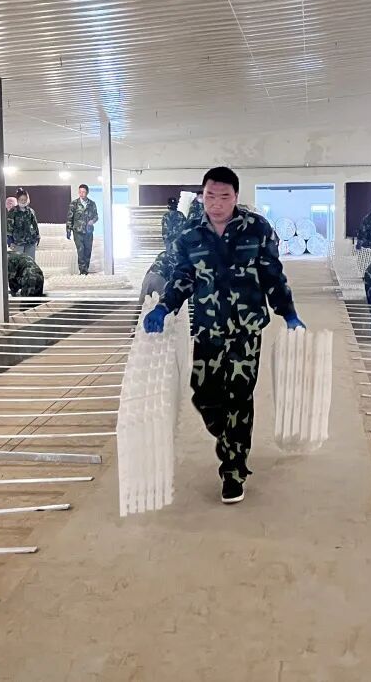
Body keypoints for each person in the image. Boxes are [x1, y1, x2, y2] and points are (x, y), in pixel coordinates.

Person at [142, 166, 304, 505]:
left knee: (239, 399)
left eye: (224, 196)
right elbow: (183, 276)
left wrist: (288, 313)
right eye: (210, 196)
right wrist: (165, 306)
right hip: (208, 329)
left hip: (246, 330)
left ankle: (234, 471)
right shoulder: (190, 233)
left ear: (236, 197)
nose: (216, 203)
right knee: (204, 394)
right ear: (203, 196)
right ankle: (228, 437)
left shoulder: (257, 228)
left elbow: (273, 274)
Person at [67, 184, 99, 275]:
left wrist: (93, 221)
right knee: (81, 251)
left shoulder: (92, 204)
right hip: (78, 231)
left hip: (88, 231)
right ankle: (82, 271)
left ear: (87, 192)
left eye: (83, 192)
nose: (81, 194)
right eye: (80, 192)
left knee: (88, 251)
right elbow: (70, 218)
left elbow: (96, 216)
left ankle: (86, 269)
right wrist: (68, 230)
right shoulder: (74, 204)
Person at [7, 188, 40, 260]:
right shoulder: (13, 212)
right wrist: (10, 240)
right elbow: (9, 226)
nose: (23, 201)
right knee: (19, 261)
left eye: (25, 200)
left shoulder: (30, 211)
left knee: (30, 261)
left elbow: (35, 225)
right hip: (18, 242)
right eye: (21, 200)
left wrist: (37, 236)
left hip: (30, 241)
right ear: (17, 200)